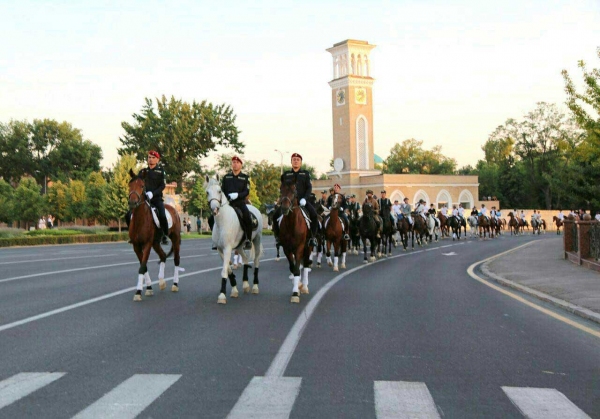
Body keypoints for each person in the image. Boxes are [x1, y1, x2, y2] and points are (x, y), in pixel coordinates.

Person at [273, 153, 319, 247]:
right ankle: (278, 238)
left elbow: (309, 188)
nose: (296, 161)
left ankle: (312, 238)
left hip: (302, 201)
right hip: (289, 201)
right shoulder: (286, 174)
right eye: (294, 159)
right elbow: (282, 188)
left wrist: (305, 199)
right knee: (275, 216)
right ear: (291, 162)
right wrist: (282, 199)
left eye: (298, 160)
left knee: (314, 215)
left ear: (301, 162)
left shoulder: (305, 174)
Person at [127, 150, 169, 245]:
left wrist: (153, 194)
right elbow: (138, 183)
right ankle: (132, 235)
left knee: (162, 215)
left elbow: (162, 186)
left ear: (157, 160)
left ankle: (164, 235)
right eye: (149, 157)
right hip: (144, 199)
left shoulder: (161, 171)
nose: (150, 159)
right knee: (128, 215)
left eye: (153, 158)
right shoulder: (142, 171)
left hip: (156, 199)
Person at [221, 156, 253, 250]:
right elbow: (222, 190)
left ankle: (248, 239)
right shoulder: (226, 177)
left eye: (237, 162)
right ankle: (216, 240)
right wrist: (227, 197)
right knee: (213, 217)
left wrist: (237, 195)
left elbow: (246, 191)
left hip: (240, 203)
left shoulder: (245, 177)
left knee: (247, 217)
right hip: (228, 203)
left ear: (241, 165)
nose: (235, 164)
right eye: (233, 162)